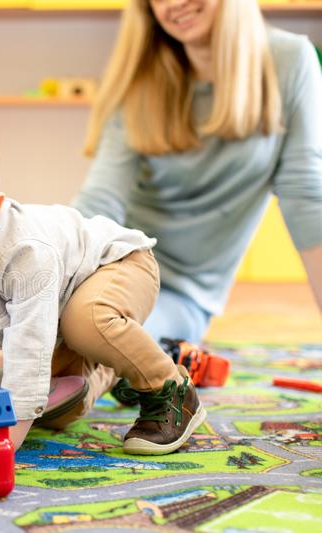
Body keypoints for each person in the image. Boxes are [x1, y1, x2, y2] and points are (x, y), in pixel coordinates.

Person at [0, 99, 207, 455]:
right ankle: (114, 369)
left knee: (84, 323)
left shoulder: (24, 255)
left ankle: (170, 388)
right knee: (56, 407)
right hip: (60, 306)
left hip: (119, 263)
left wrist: (4, 446)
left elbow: (27, 354)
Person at [74, 0, 322, 343]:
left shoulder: (291, 60)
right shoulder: (141, 76)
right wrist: (48, 285)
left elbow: (306, 197)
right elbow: (101, 200)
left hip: (182, 298)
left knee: (96, 331)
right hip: (109, 270)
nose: (174, 4)